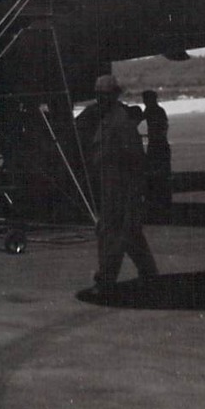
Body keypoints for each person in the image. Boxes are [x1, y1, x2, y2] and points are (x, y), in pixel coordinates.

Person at [82, 74, 158, 298]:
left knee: (111, 236)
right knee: (130, 235)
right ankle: (150, 275)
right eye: (98, 95)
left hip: (121, 190)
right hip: (111, 188)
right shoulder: (107, 119)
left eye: (104, 95)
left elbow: (135, 160)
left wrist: (135, 193)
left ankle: (105, 282)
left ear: (113, 96)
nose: (100, 99)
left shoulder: (120, 122)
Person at [141, 89, 172, 218]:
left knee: (156, 173)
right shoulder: (156, 110)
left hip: (157, 145)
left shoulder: (153, 111)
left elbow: (161, 129)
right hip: (159, 144)